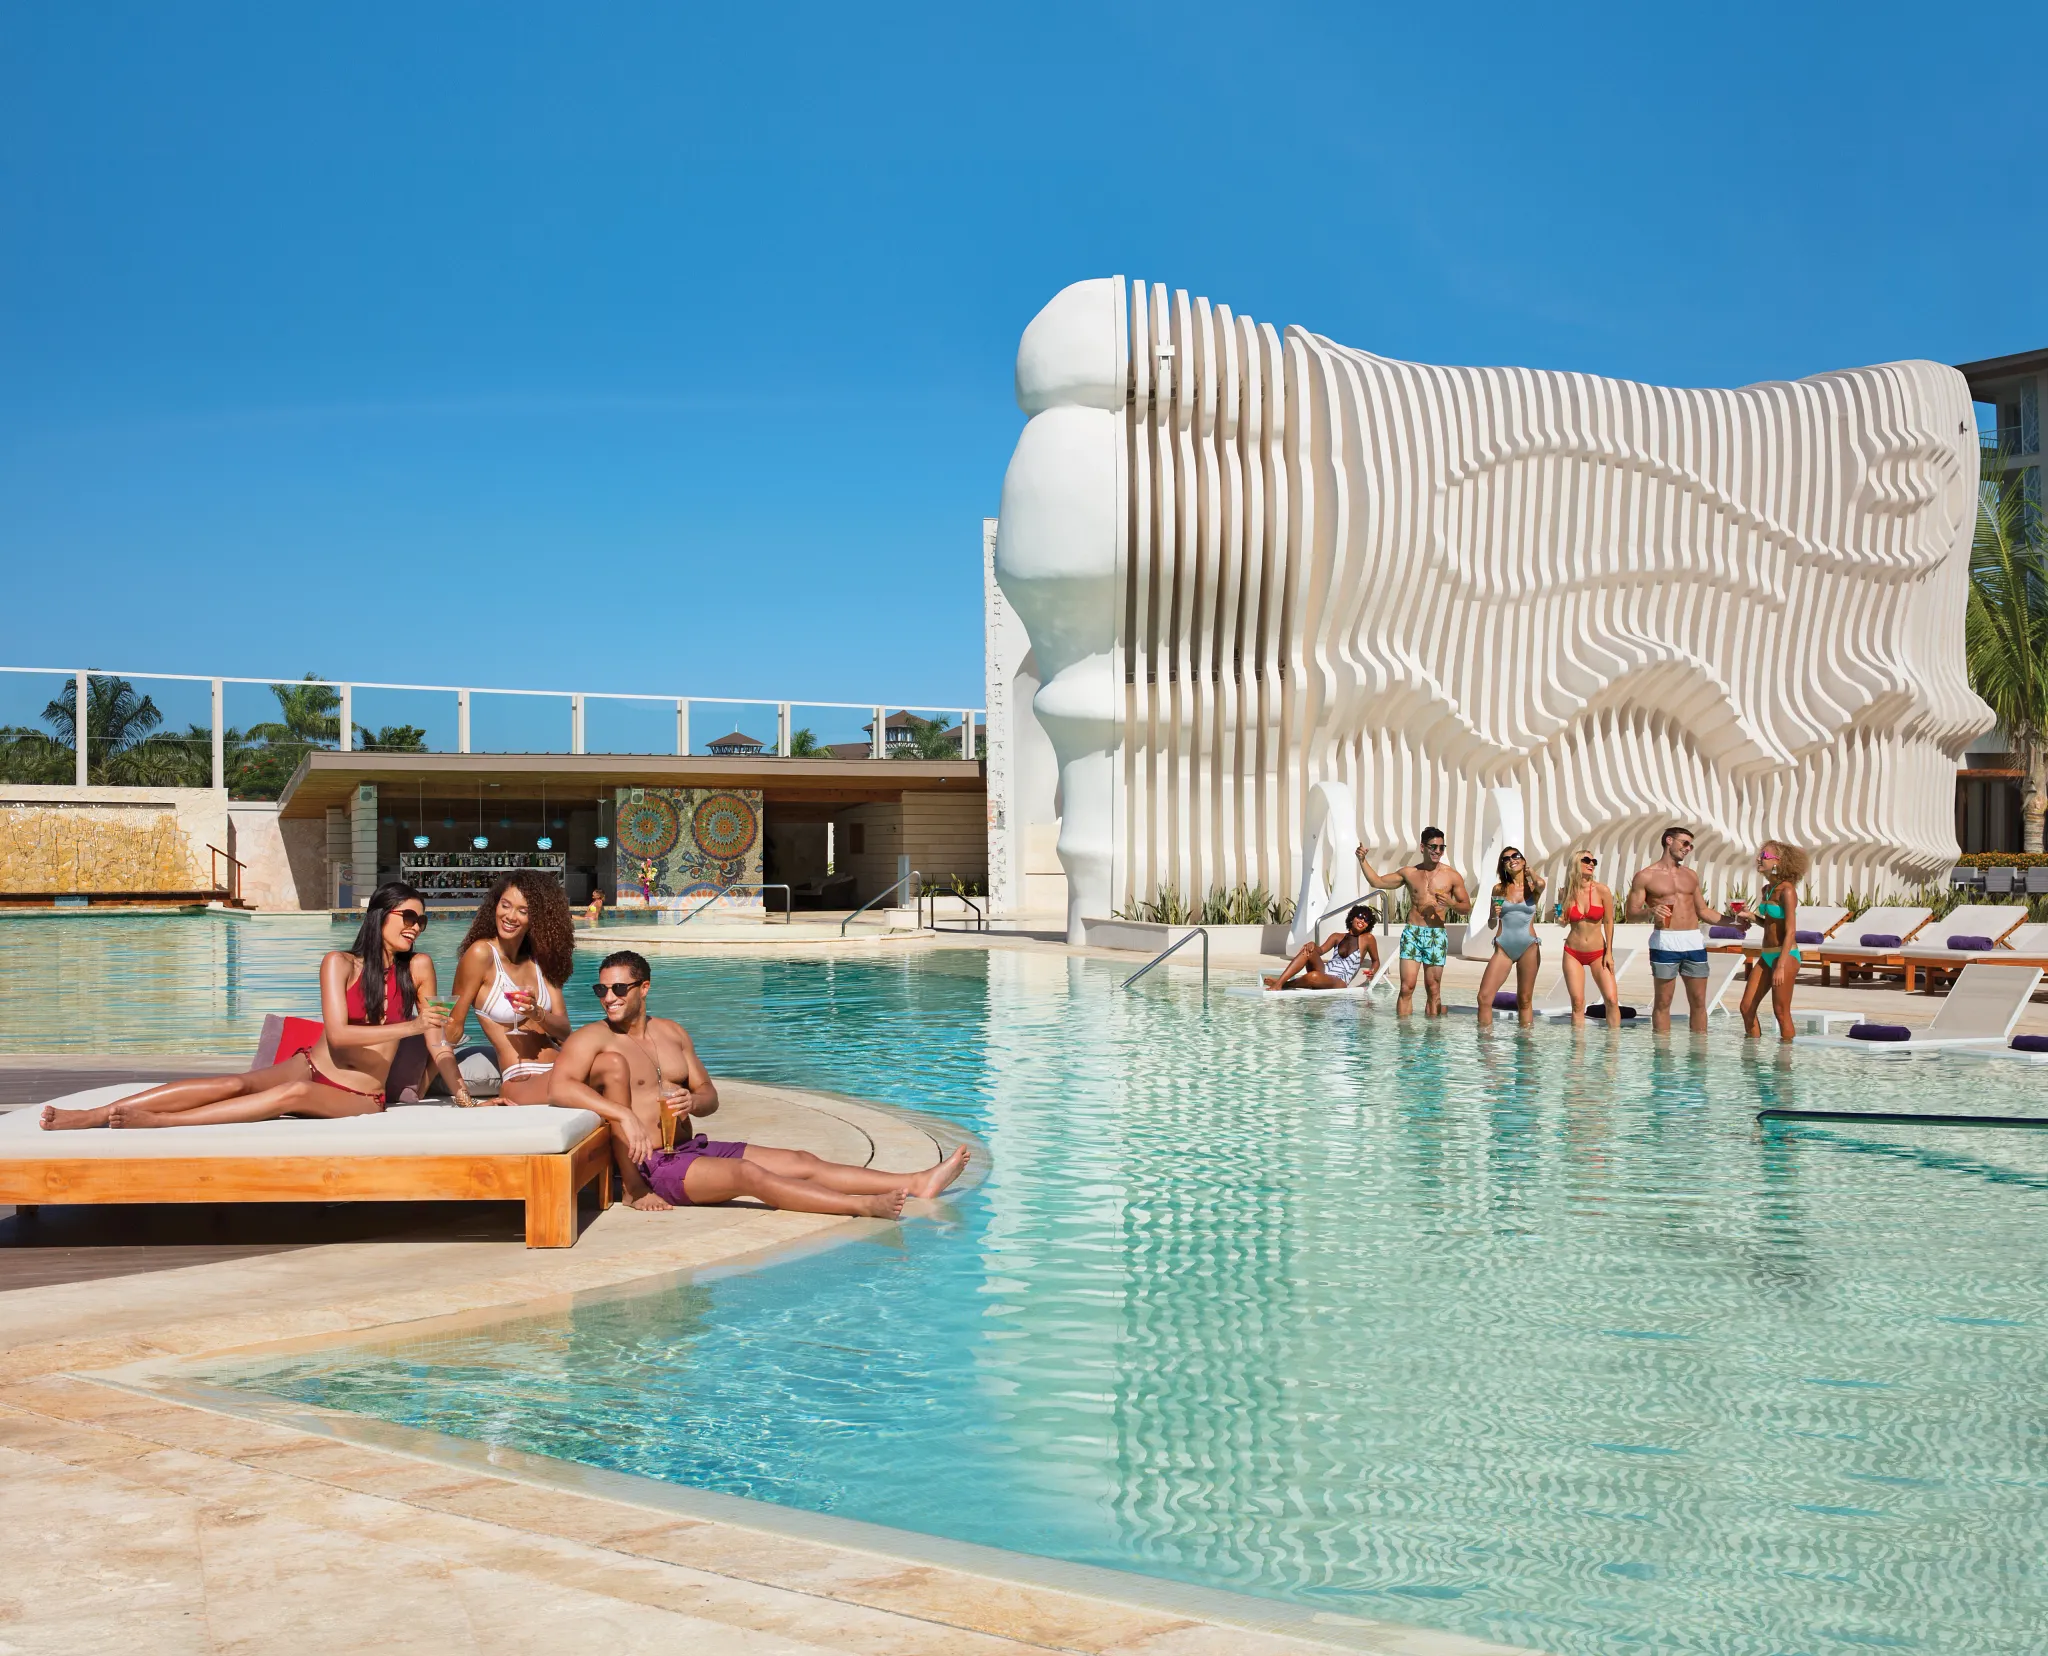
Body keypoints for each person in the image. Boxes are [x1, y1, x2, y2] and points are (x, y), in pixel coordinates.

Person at [550, 951, 972, 1217]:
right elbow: (561, 1087)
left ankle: (917, 1181)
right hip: (653, 1166)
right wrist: (622, 1112)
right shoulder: (593, 1039)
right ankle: (861, 1206)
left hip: (689, 1147)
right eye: (601, 989)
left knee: (802, 1160)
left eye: (619, 988)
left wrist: (691, 1103)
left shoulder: (673, 1033)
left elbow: (710, 1096)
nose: (608, 997)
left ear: (644, 988)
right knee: (749, 1175)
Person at [41, 882, 464, 1130]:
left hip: (360, 1093)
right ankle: (97, 1114)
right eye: (407, 916)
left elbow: (436, 1041)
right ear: (379, 916)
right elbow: (337, 1034)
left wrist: (464, 1094)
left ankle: (163, 1122)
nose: (415, 927)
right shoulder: (338, 963)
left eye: (421, 921)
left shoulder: (418, 968)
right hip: (312, 1065)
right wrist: (409, 1027)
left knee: (292, 1094)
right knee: (235, 1083)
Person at [438, 871, 575, 1104]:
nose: (510, 916)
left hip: (562, 1064)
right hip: (522, 1078)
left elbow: (563, 1031)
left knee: (614, 1062)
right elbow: (451, 1030)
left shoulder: (540, 960)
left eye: (523, 911)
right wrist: (465, 1099)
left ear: (538, 918)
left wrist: (536, 1012)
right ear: (495, 905)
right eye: (505, 905)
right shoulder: (481, 954)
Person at [1355, 829, 1472, 1017]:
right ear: (1422, 847)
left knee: (1433, 989)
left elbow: (1466, 907)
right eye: (1433, 847)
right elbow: (1377, 881)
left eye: (1442, 848)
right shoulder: (1409, 873)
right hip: (1412, 934)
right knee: (1406, 987)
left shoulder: (1452, 876)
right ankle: (1404, 1040)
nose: (1438, 851)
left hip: (1436, 935)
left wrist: (1451, 903)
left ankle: (1432, 1039)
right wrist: (1362, 861)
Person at [1624, 826, 1729, 1034]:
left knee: (1699, 1002)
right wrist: (1651, 911)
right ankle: (1662, 1058)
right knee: (1663, 1002)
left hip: (1693, 940)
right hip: (1665, 940)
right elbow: (1631, 914)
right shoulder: (1645, 876)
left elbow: (1704, 911)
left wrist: (1733, 923)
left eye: (1690, 845)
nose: (1688, 848)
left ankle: (1699, 1057)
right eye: (1685, 843)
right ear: (1669, 841)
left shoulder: (1690, 875)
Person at [1733, 839, 1808, 1042]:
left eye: (1764, 856)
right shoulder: (1767, 890)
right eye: (1760, 855)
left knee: (1781, 1011)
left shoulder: (1787, 890)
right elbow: (1771, 924)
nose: (1759, 858)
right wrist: (1752, 917)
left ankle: (1785, 1064)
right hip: (1766, 955)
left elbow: (1791, 931)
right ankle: (1752, 1055)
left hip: (1786, 955)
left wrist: (1781, 966)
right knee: (1746, 1007)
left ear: (1778, 862)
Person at [1475, 847, 1545, 1029]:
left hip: (1528, 945)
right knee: (1484, 997)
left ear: (1523, 861)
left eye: (1516, 856)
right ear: (1503, 866)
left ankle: (1525, 1049)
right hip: (1503, 947)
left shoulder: (1532, 888)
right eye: (1506, 859)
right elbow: (1491, 924)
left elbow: (1541, 884)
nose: (1511, 860)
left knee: (1524, 999)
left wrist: (1531, 872)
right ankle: (1486, 1049)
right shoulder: (1499, 889)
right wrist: (1492, 914)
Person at [1557, 848, 1622, 1029]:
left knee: (1611, 999)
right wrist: (1560, 913)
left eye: (1594, 862)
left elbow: (1609, 922)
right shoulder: (1567, 893)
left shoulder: (1602, 891)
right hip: (1573, 952)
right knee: (1577, 1003)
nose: (1591, 864)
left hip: (1598, 953)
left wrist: (1609, 952)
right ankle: (1577, 1052)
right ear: (1576, 863)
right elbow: (1563, 921)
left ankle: (1613, 1047)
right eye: (1587, 860)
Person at [1263, 904, 1379, 991]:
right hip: (1325, 971)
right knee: (1308, 951)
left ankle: (1282, 984)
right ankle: (1281, 983)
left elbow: (1376, 960)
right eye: (1360, 917)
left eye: (1367, 920)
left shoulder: (1367, 939)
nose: (1362, 921)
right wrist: (1313, 944)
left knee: (1313, 976)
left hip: (1340, 981)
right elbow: (1321, 950)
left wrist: (1372, 971)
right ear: (1352, 917)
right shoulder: (1336, 936)